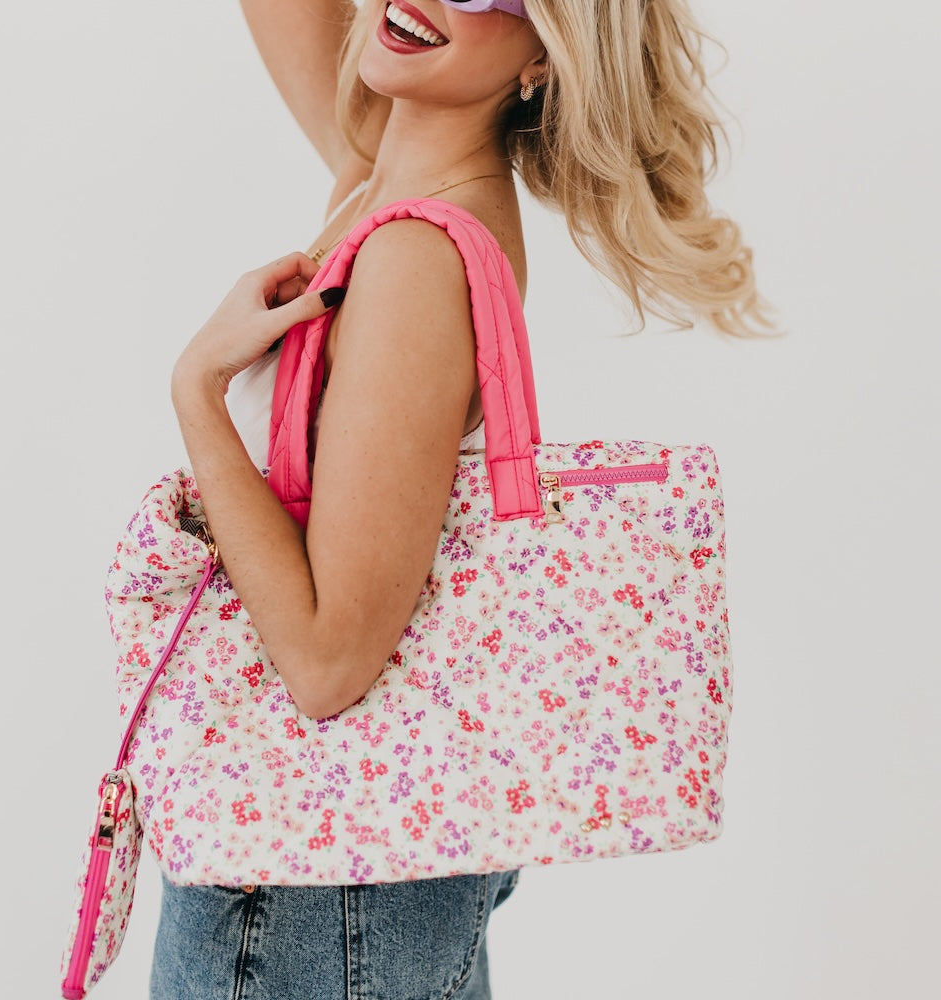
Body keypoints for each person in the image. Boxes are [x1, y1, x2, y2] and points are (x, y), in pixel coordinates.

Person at [152, 2, 764, 997]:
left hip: (316, 887)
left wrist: (196, 393)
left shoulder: (414, 254)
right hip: (358, 874)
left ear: (544, 55)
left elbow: (327, 660)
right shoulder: (379, 177)